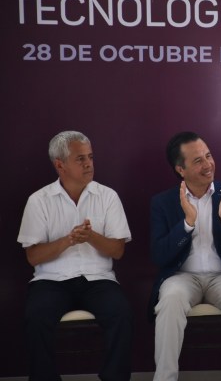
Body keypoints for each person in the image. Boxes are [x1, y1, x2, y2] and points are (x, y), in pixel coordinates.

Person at [17, 130, 133, 381]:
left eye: (90, 157)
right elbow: (33, 257)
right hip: (51, 281)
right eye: (80, 158)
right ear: (60, 165)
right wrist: (68, 240)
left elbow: (118, 251)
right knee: (36, 316)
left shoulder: (108, 196)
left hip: (98, 279)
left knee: (121, 313)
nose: (89, 163)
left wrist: (90, 237)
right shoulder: (38, 200)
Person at [148, 131, 221, 381]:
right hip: (182, 277)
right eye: (198, 160)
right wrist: (187, 224)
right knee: (170, 300)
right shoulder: (163, 202)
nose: (208, 164)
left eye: (208, 156)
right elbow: (159, 256)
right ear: (181, 169)